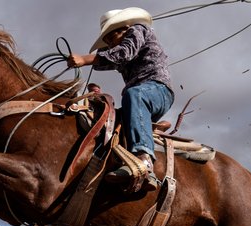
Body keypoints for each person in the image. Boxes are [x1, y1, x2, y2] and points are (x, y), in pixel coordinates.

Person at [68, 7, 174, 191]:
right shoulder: (123, 49)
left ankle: (144, 161)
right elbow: (109, 61)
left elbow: (123, 53)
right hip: (145, 94)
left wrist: (84, 59)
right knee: (114, 118)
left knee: (134, 94)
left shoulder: (138, 29)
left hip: (158, 90)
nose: (109, 45)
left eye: (110, 39)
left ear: (123, 29)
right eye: (107, 42)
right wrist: (82, 61)